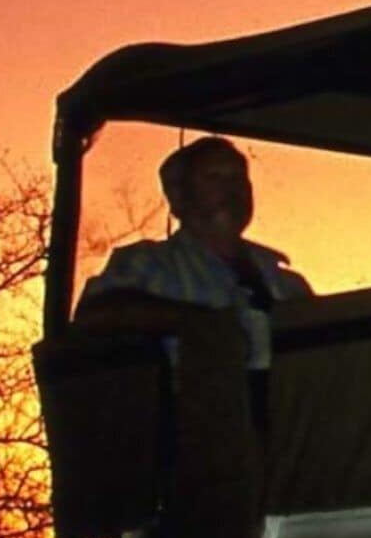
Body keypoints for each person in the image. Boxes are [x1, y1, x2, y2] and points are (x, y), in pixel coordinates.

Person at [77, 136, 313, 369]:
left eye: (239, 179)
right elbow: (95, 316)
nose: (232, 190)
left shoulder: (286, 281)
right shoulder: (148, 263)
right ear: (178, 197)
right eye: (214, 178)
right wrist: (202, 324)